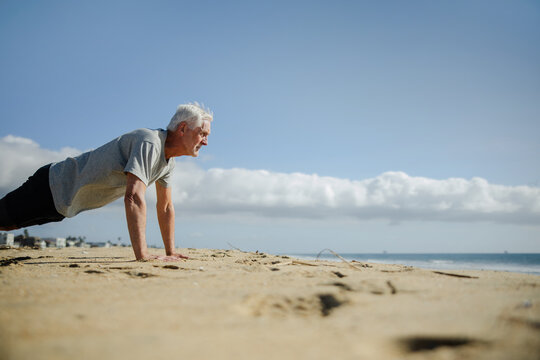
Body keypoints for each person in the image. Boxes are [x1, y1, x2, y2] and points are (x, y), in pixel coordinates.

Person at [0, 103, 212, 261]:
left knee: (8, 225)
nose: (205, 141)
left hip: (64, 205)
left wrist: (171, 251)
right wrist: (143, 255)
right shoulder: (150, 142)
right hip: (52, 184)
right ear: (183, 128)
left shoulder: (168, 163)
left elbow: (165, 207)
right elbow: (134, 196)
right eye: (202, 133)